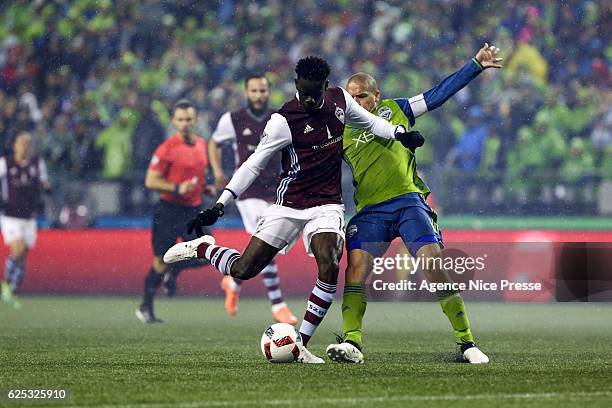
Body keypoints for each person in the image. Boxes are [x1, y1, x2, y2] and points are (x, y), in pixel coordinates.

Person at [163, 56, 420, 363]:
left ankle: (300, 345)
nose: (309, 98)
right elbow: (253, 164)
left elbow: (371, 122)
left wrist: (399, 134)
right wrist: (220, 205)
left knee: (330, 262)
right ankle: (205, 249)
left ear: (325, 86)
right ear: (297, 85)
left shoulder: (339, 100)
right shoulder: (282, 121)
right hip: (290, 204)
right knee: (244, 269)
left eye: (315, 92)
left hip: (326, 204)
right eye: (304, 91)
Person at [325, 43, 502, 364]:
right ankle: (352, 342)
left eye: (362, 94)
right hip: (370, 211)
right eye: (350, 96)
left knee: (433, 266)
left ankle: (467, 343)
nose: (355, 101)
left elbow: (437, 94)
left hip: (409, 203)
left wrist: (475, 66)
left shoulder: (398, 109)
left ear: (376, 97)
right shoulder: (340, 129)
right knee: (355, 270)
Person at [208, 74, 297, 324]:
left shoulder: (279, 119)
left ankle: (233, 281)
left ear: (269, 92)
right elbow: (214, 144)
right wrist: (217, 171)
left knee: (273, 243)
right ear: (246, 92)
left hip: (275, 190)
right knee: (266, 239)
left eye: (262, 90)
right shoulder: (232, 120)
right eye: (254, 90)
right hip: (248, 192)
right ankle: (278, 304)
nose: (258, 95)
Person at [135, 100, 209, 323]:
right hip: (168, 209)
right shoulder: (166, 149)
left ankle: (173, 270)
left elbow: (195, 176)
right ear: (174, 122)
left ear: (195, 120)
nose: (185, 123)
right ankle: (145, 307)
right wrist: (177, 188)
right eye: (180, 120)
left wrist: (204, 187)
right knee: (160, 261)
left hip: (192, 210)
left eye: (188, 119)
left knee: (207, 253)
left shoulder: (201, 145)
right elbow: (150, 180)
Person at [0, 131, 49, 308]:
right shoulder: (5, 163)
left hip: (29, 215)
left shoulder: (37, 163)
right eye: (21, 143)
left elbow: (44, 182)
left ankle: (12, 289)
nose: (24, 146)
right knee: (18, 250)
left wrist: (45, 188)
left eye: (27, 143)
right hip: (11, 215)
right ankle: (6, 283)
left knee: (23, 255)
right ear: (14, 145)